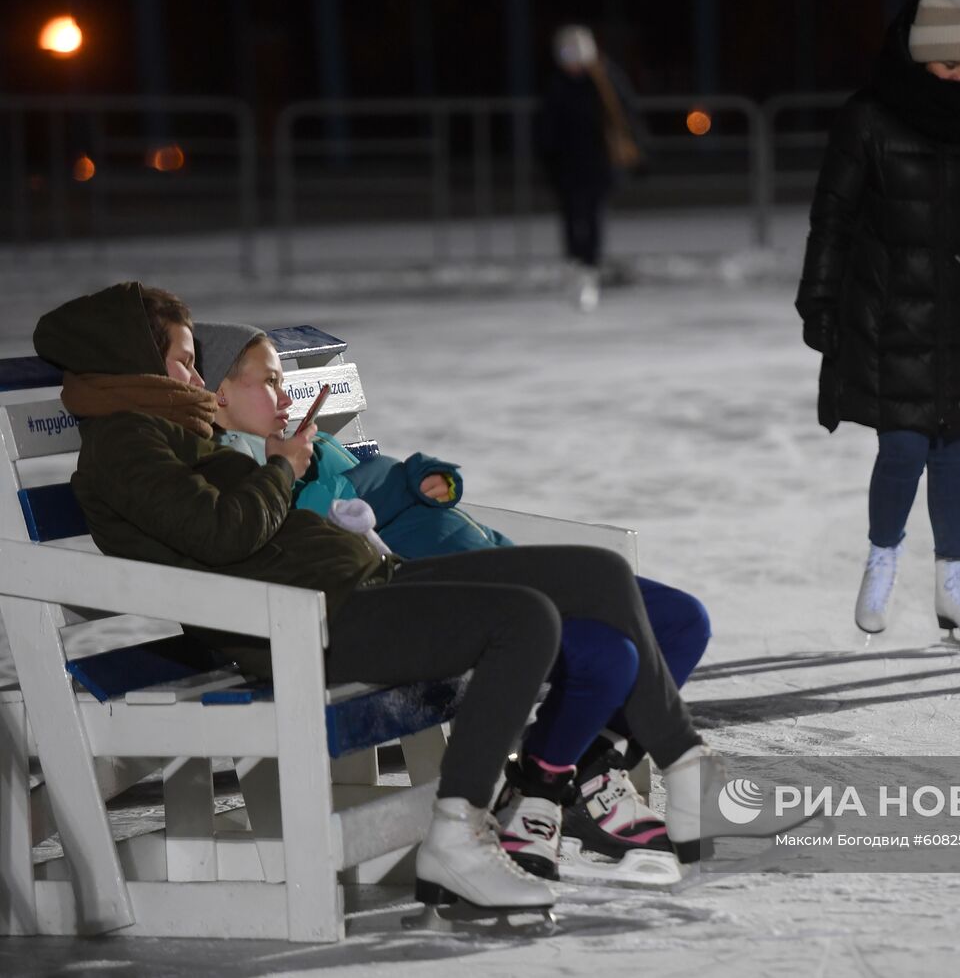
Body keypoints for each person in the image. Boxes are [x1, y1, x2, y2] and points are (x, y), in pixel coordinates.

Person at [30, 283, 763, 913]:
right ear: (134, 359)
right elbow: (221, 532)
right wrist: (283, 469)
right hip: (308, 625)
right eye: (184, 358)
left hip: (358, 588)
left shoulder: (167, 432)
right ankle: (460, 832)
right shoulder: (128, 444)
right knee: (523, 620)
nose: (192, 373)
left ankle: (685, 764)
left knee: (597, 573)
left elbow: (234, 522)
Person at [193, 320, 710, 880]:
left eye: (284, 379)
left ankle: (580, 763)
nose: (287, 394)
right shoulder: (246, 472)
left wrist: (423, 478)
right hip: (430, 593)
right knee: (609, 653)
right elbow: (313, 546)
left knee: (681, 621)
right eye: (269, 381)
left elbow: (379, 479)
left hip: (490, 557)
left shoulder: (313, 448)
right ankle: (563, 775)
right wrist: (293, 472)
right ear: (219, 395)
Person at [794, 0, 960, 644]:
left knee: (956, 448)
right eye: (950, 63)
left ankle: (953, 586)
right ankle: (882, 562)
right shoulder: (869, 117)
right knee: (904, 444)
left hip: (959, 315)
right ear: (918, 55)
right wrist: (817, 299)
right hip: (887, 311)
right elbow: (833, 218)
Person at [536, 24, 644, 312]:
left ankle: (590, 269)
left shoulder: (605, 79)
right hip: (568, 166)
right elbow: (547, 128)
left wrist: (637, 150)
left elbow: (626, 114)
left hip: (598, 163)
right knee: (572, 216)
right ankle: (576, 267)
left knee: (594, 215)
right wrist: (548, 160)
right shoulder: (557, 85)